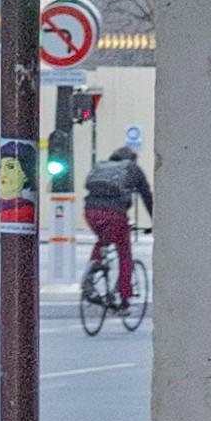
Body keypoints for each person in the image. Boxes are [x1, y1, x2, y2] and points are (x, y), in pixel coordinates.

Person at [85, 125, 154, 307]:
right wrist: (156, 221)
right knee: (124, 252)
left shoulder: (101, 166)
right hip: (115, 213)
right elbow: (147, 197)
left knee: (103, 239)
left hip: (91, 211)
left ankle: (93, 269)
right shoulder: (133, 169)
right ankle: (124, 297)